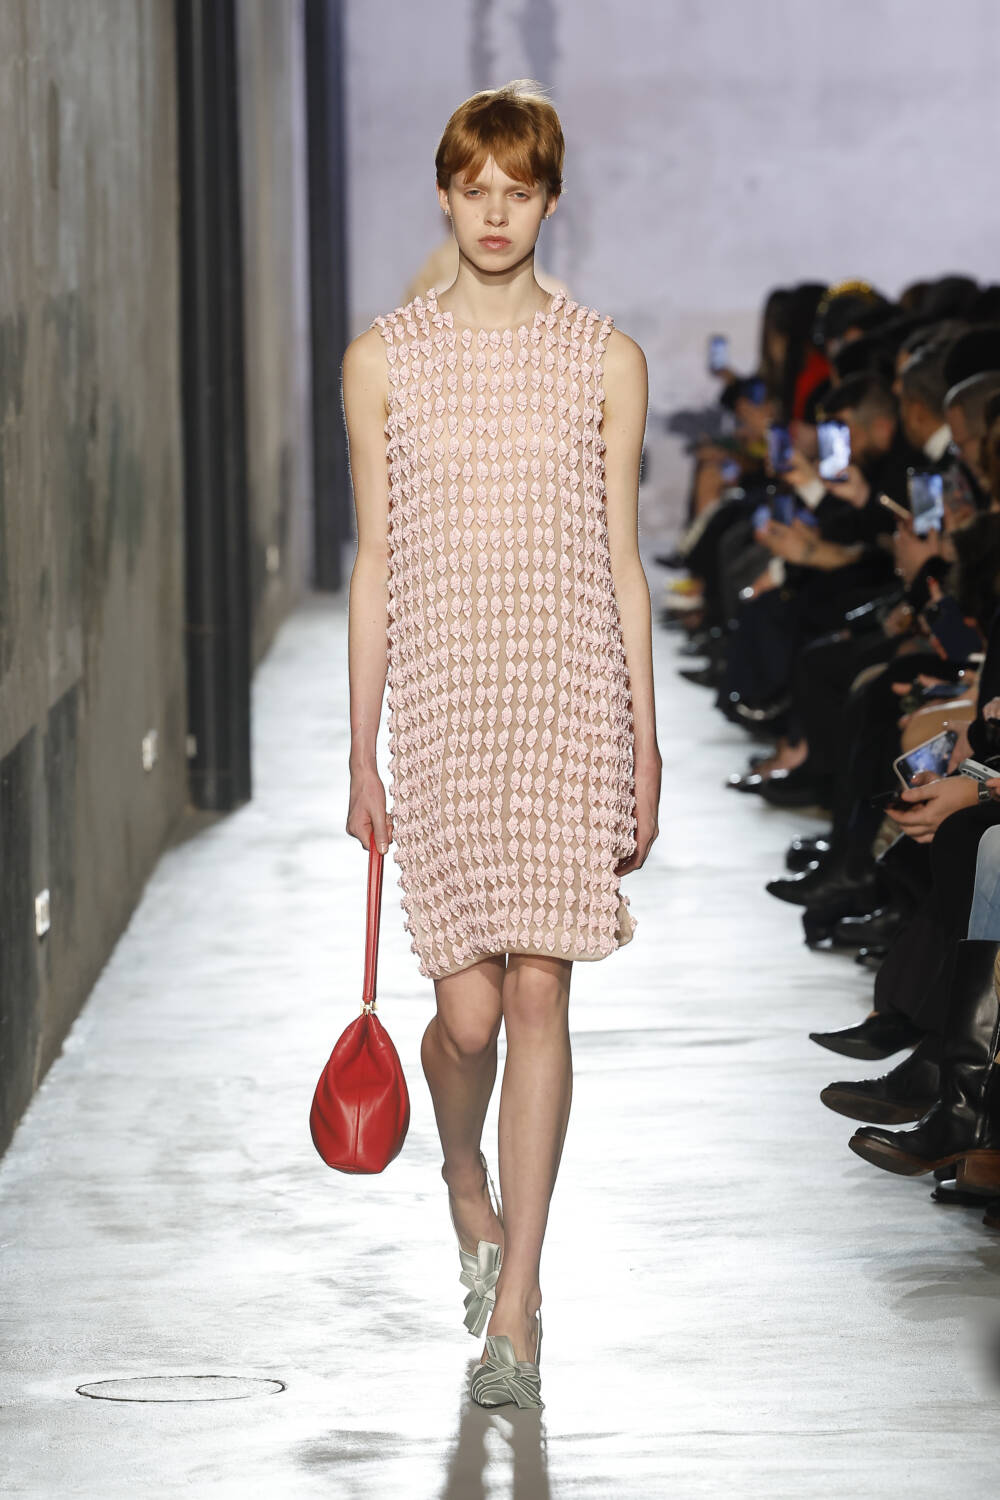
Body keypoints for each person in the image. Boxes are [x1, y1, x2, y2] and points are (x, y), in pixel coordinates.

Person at [340, 79, 661, 1410]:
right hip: (448, 711)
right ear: (444, 193)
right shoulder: (383, 361)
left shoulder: (604, 359)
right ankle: (461, 1173)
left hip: (568, 704)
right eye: (475, 190)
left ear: (550, 201)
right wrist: (360, 753)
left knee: (538, 994)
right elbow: (374, 566)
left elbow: (625, 565)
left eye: (517, 193)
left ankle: (517, 1307)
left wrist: (646, 745)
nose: (494, 214)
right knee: (464, 1018)